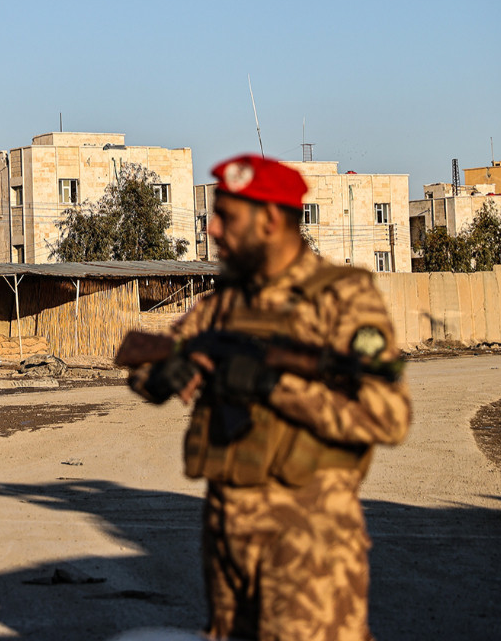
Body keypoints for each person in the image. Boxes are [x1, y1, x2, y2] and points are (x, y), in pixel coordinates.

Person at [135, 154, 411, 640]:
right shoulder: (224, 303)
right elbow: (148, 358)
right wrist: (164, 372)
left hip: (310, 538)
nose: (212, 229)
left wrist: (272, 386)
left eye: (226, 216)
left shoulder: (343, 297)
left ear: (268, 220)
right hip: (226, 532)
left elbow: (387, 416)